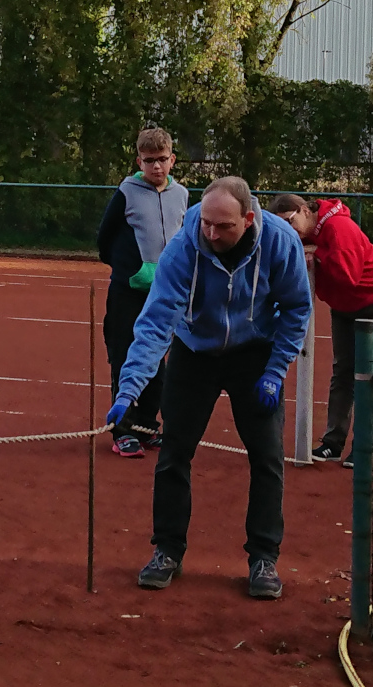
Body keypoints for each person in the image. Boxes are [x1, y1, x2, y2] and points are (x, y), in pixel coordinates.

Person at [108, 175, 311, 599]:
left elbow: (295, 309)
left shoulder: (280, 242)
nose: (212, 234)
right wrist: (129, 388)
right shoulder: (184, 247)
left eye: (224, 227)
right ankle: (167, 551)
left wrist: (275, 370)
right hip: (194, 350)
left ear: (249, 218)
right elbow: (156, 320)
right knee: (173, 453)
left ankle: (263, 558)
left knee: (267, 457)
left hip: (255, 353)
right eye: (206, 224)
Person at [268, 193, 373, 467]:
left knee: (372, 374)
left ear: (305, 211)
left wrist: (318, 255)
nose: (289, 230)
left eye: (290, 222)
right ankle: (333, 442)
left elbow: (347, 276)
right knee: (342, 372)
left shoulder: (338, 228)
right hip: (343, 308)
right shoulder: (307, 234)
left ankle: (364, 446)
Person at [95, 127, 189, 458]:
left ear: (172, 159)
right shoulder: (127, 192)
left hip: (165, 294)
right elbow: (105, 239)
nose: (156, 167)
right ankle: (123, 431)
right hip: (128, 293)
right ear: (140, 161)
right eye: (149, 161)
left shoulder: (182, 195)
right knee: (124, 356)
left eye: (162, 160)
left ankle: (148, 425)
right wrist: (130, 271)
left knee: (158, 359)